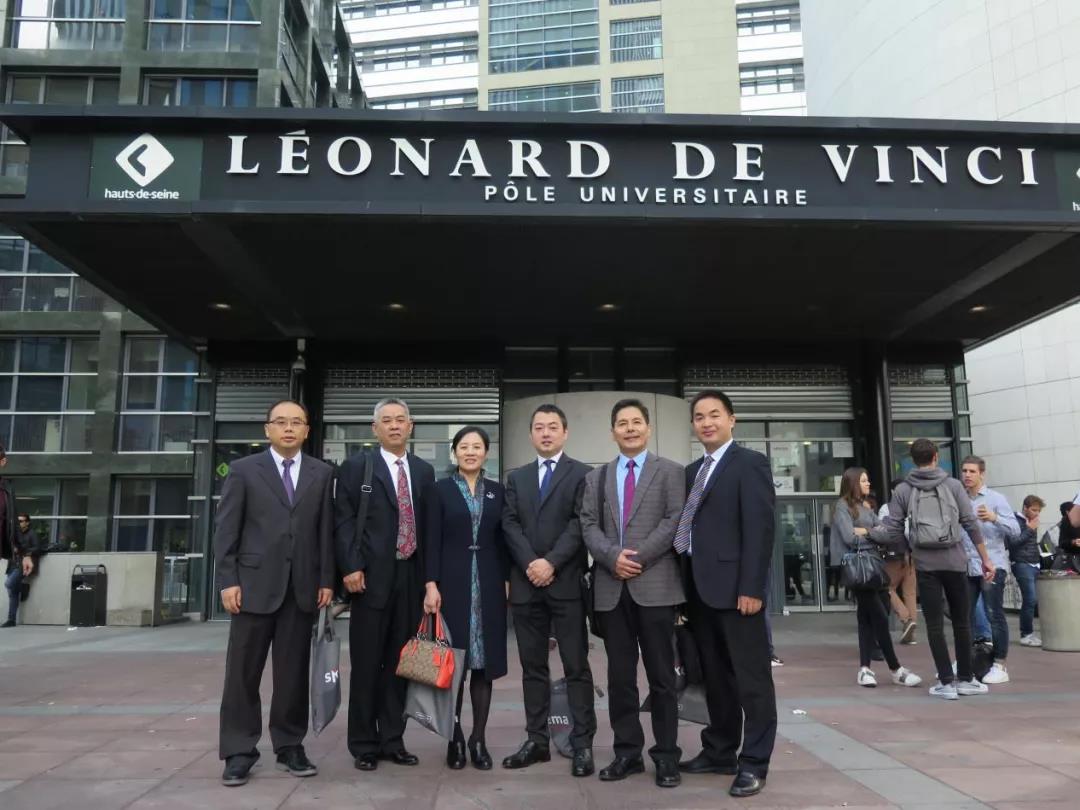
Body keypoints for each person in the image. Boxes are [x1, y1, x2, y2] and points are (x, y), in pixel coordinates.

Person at [214, 400, 335, 787]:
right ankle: (239, 751)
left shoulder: (322, 473)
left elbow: (325, 532)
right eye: (281, 422)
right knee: (242, 674)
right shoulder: (243, 470)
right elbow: (226, 530)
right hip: (251, 587)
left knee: (293, 674)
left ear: (307, 430)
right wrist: (227, 580)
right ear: (267, 429)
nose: (288, 428)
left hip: (301, 588)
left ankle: (289, 745)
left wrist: (326, 579)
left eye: (296, 422)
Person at [675, 390, 776, 799]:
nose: (707, 422)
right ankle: (719, 751)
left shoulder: (750, 464)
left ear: (732, 419)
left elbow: (760, 529)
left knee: (751, 680)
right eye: (699, 417)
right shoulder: (692, 471)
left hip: (737, 593)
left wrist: (752, 587)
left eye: (714, 415)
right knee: (714, 677)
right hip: (700, 593)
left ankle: (754, 762)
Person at [580, 398, 685, 789]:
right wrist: (612, 557)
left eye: (636, 422)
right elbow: (588, 524)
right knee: (620, 678)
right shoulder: (596, 478)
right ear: (613, 432)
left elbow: (675, 520)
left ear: (648, 428)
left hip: (656, 586)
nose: (630, 428)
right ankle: (627, 753)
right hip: (611, 588)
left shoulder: (671, 472)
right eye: (622, 423)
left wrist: (637, 558)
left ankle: (667, 756)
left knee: (662, 677)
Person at [335, 397, 436, 772]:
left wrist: (431, 580)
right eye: (387, 420)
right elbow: (343, 520)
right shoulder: (356, 467)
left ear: (411, 426)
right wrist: (350, 566)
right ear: (375, 428)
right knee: (366, 664)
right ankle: (364, 744)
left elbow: (430, 527)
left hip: (411, 578)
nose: (394, 425)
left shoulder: (424, 471)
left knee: (401, 664)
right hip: (369, 578)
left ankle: (393, 739)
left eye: (400, 420)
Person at [501, 404, 595, 777]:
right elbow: (509, 524)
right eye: (539, 427)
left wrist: (551, 563)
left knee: (576, 666)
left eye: (552, 426)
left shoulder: (583, 474)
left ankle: (582, 743)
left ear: (565, 432)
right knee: (532, 668)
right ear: (531, 435)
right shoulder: (517, 478)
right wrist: (531, 563)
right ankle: (536, 740)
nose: (545, 433)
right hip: (527, 585)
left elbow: (579, 524)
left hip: (566, 584)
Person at [878, 439, 995, 700]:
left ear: (912, 460)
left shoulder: (904, 490)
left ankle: (946, 682)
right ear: (935, 457)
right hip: (955, 562)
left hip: (925, 564)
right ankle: (966, 679)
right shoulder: (953, 485)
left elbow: (893, 528)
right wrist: (985, 558)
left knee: (934, 625)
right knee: (962, 622)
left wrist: (908, 549)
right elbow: (969, 522)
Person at [423, 426, 509, 771]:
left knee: (483, 667)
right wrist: (431, 584)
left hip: (488, 582)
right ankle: (455, 738)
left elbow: (504, 540)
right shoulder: (439, 490)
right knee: (453, 664)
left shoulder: (498, 492)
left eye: (477, 447)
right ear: (455, 452)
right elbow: (430, 539)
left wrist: (506, 580)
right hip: (452, 582)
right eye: (464, 447)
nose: (470, 452)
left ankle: (479, 739)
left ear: (486, 452)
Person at [831, 468, 922, 689]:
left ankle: (864, 669)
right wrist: (873, 533)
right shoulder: (842, 506)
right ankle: (895, 668)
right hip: (859, 569)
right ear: (853, 483)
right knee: (880, 617)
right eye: (864, 480)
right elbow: (848, 537)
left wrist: (865, 532)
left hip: (874, 568)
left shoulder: (865, 508)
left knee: (866, 620)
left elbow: (888, 534)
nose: (868, 484)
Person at [959, 456, 1018, 685]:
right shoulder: (960, 499)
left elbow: (1015, 530)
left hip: (992, 565)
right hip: (966, 566)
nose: (967, 475)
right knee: (964, 615)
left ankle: (1000, 664)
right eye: (964, 471)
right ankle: (965, 661)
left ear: (982, 474)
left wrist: (994, 518)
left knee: (994, 614)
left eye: (972, 471)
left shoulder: (996, 499)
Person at [879, 478, 918, 645]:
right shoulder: (913, 507)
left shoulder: (887, 508)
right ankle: (911, 631)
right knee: (910, 592)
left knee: (886, 587)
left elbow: (883, 530)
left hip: (894, 555)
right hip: (911, 555)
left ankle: (906, 618)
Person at [1011, 495, 1044, 647]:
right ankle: (1026, 634)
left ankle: (1029, 633)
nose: (1036, 513)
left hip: (1034, 563)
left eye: (1038, 511)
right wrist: (1030, 529)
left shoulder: (1031, 521)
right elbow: (1013, 542)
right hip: (1022, 564)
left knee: (1034, 600)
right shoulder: (1015, 521)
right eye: (1034, 510)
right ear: (1025, 508)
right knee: (1030, 599)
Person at [4, 513, 43, 627]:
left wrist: (22, 550)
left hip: (24, 565)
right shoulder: (14, 534)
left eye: (21, 521)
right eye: (18, 521)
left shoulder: (32, 534)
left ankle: (23, 587)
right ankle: (11, 620)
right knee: (13, 593)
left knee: (9, 584)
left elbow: (38, 548)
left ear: (27, 522)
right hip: (12, 564)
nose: (19, 523)